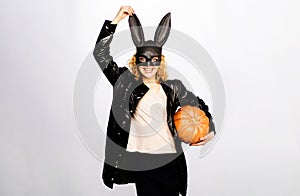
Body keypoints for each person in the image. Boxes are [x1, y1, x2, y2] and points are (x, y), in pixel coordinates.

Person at [93, 6, 215, 196]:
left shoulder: (173, 88)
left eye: (154, 60)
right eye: (143, 59)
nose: (148, 65)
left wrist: (210, 129)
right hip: (142, 164)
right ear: (136, 60)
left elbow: (199, 106)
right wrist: (116, 20)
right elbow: (100, 53)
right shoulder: (124, 82)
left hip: (170, 162)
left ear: (160, 61)